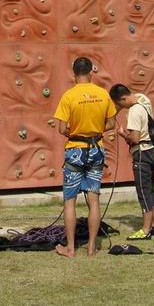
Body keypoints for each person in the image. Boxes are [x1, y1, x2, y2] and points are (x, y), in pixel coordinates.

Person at [52, 57, 117, 257]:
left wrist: (74, 131)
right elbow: (111, 123)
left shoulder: (69, 96)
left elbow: (61, 128)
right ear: (90, 73)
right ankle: (91, 247)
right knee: (94, 199)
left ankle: (71, 248)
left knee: (70, 200)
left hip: (75, 150)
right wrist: (95, 128)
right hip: (96, 149)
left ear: (74, 74)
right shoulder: (103, 94)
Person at [110, 84, 154, 240]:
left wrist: (123, 134)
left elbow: (135, 138)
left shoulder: (133, 111)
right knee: (150, 189)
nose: (120, 108)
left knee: (143, 192)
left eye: (119, 104)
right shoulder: (143, 100)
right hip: (151, 150)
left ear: (123, 99)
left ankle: (145, 230)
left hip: (141, 153)